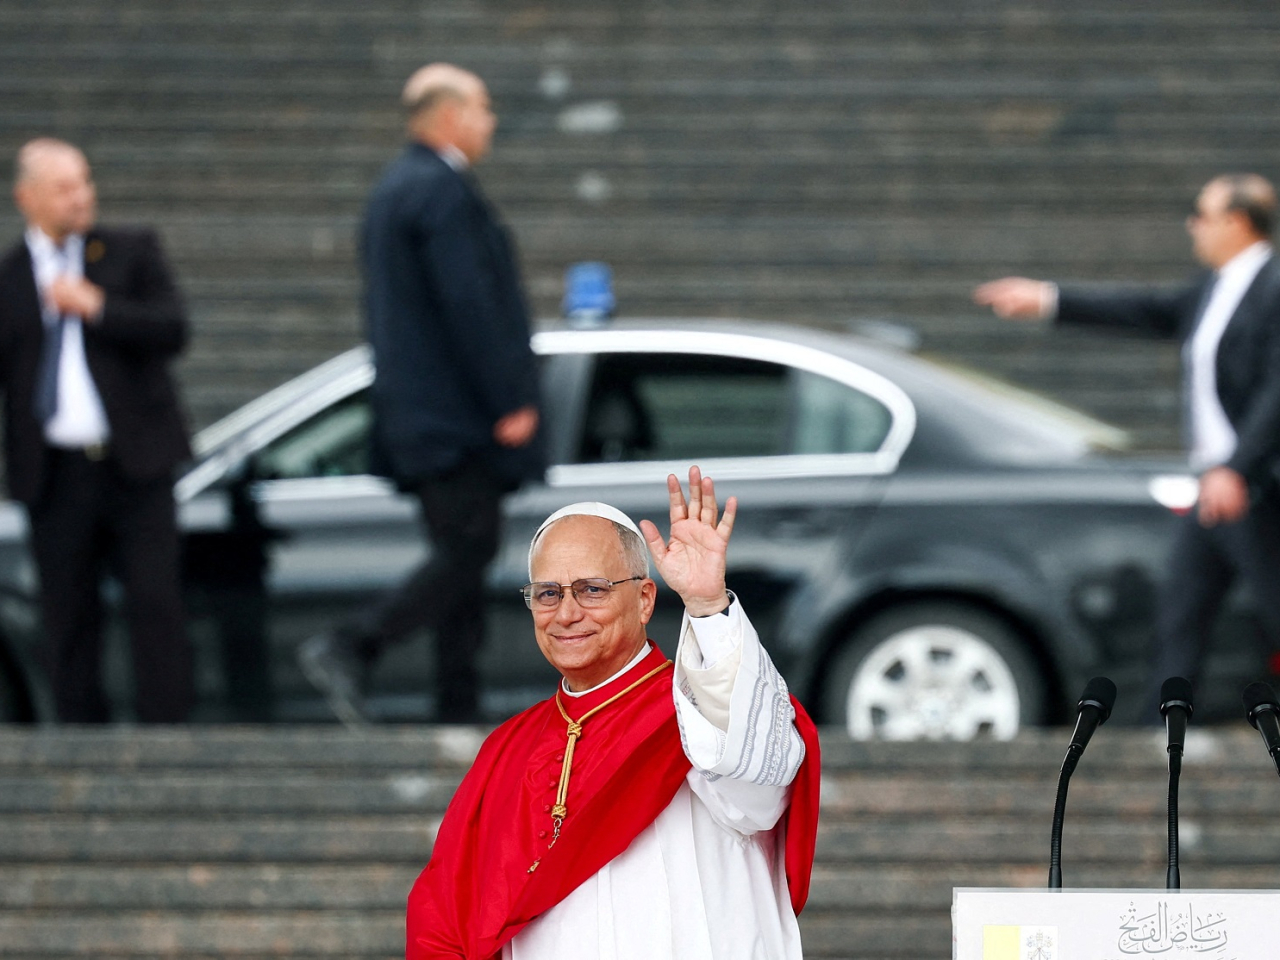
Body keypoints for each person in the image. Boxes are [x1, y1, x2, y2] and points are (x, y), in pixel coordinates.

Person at [406, 466, 820, 959]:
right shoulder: (507, 750)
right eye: (548, 593)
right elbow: (448, 914)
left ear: (645, 599)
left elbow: (757, 791)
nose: (566, 613)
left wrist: (708, 606)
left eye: (592, 589)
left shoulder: (699, 710)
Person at [973, 173, 1280, 711]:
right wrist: (1049, 300)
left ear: (1236, 222)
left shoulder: (1273, 286)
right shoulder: (1215, 287)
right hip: (1213, 485)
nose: (1193, 227)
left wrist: (1239, 467)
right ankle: (1160, 733)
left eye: (1202, 215)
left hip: (1252, 487)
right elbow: (1148, 311)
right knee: (1180, 611)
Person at [298, 64, 543, 724]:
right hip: (455, 421)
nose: (491, 121)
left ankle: (456, 703)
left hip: (423, 415)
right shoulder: (440, 192)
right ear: (450, 115)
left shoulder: (396, 190)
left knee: (458, 565)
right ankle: (352, 644)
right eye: (484, 107)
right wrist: (507, 399)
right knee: (468, 552)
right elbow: (470, 305)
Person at [0, 138, 194, 722]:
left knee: (155, 601)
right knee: (67, 610)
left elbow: (173, 328)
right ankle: (81, 733)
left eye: (84, 182)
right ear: (26, 196)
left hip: (134, 464)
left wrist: (98, 307)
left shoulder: (130, 250)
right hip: (55, 471)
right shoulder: (9, 276)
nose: (79, 197)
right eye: (63, 188)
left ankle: (166, 731)